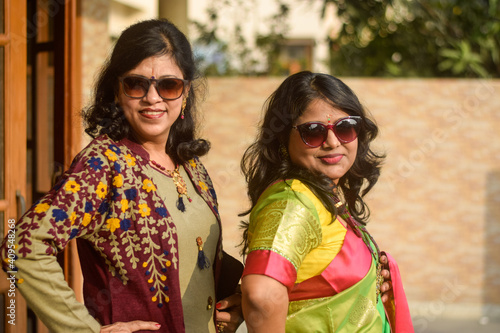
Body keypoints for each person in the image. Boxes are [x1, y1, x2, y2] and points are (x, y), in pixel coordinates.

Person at [0, 19, 242, 333]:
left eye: (169, 85)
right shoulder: (104, 166)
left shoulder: (189, 164)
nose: (153, 98)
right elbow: (20, 246)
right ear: (117, 90)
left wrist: (234, 301)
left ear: (185, 93)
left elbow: (190, 249)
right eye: (137, 84)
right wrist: (82, 329)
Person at [239, 71, 413, 332]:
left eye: (345, 128)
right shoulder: (294, 200)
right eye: (313, 132)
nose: (333, 142)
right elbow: (261, 296)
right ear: (283, 140)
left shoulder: (321, 197)